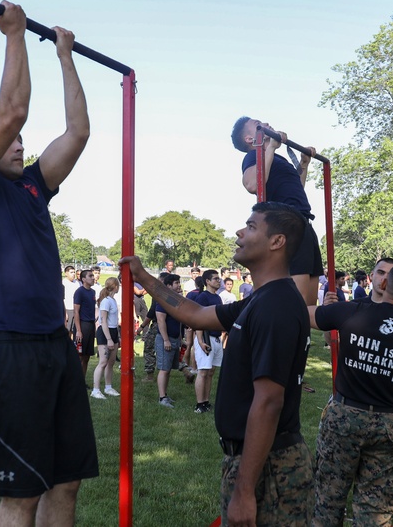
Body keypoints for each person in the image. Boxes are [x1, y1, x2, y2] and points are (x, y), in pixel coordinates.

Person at [0, 1, 97, 523]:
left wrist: (65, 55)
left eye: (21, 144)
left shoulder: (33, 186)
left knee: (66, 482)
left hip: (53, 345)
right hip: (5, 348)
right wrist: (14, 35)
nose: (19, 144)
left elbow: (77, 134)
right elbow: (11, 113)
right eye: (8, 142)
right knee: (22, 493)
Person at [121, 202, 314, 525]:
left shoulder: (275, 305)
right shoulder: (262, 299)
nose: (240, 232)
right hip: (255, 461)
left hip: (270, 468)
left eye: (251, 226)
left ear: (277, 242)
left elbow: (268, 402)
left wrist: (244, 491)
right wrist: (145, 277)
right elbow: (195, 314)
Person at [309, 261, 393, 526]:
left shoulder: (352, 312)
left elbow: (300, 314)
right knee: (376, 513)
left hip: (344, 419)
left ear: (383, 285)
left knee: (327, 503)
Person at [232, 117, 323, 305]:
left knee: (310, 302)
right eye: (259, 124)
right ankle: (284, 330)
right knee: (296, 299)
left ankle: (302, 334)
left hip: (303, 220)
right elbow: (251, 185)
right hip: (287, 224)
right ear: (250, 139)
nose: (266, 123)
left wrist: (303, 164)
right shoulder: (254, 155)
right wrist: (271, 147)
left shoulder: (276, 159)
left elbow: (295, 189)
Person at [193, 270, 225, 413]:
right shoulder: (203, 297)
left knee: (211, 372)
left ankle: (206, 401)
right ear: (207, 281)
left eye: (219, 279)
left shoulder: (218, 298)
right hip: (206, 338)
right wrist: (200, 341)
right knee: (203, 372)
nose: (219, 281)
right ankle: (199, 404)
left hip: (216, 338)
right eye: (215, 279)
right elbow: (198, 319)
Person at [153, 273, 184, 408]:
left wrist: (180, 339)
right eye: (176, 283)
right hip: (165, 339)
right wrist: (166, 340)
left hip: (174, 339)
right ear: (168, 286)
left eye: (179, 282)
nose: (179, 285)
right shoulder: (163, 301)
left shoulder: (175, 301)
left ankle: (165, 394)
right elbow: (161, 321)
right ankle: (162, 398)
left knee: (169, 370)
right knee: (164, 369)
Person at [90, 277, 121, 399]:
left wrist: (116, 336)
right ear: (116, 287)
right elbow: (103, 321)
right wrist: (108, 339)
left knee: (111, 362)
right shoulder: (106, 301)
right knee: (103, 362)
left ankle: (108, 387)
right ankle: (95, 390)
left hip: (113, 331)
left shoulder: (112, 300)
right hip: (104, 333)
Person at [72, 269, 97, 382]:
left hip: (91, 325)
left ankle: (82, 381)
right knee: (79, 355)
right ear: (83, 279)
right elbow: (76, 311)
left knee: (87, 356)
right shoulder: (79, 292)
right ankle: (74, 381)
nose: (93, 277)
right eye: (90, 276)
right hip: (82, 325)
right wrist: (78, 330)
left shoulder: (92, 292)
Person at [62, 265, 79, 334]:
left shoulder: (77, 283)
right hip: (67, 309)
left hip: (75, 309)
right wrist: (64, 312)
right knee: (67, 329)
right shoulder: (63, 283)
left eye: (74, 272)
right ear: (66, 273)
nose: (73, 274)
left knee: (74, 329)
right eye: (71, 272)